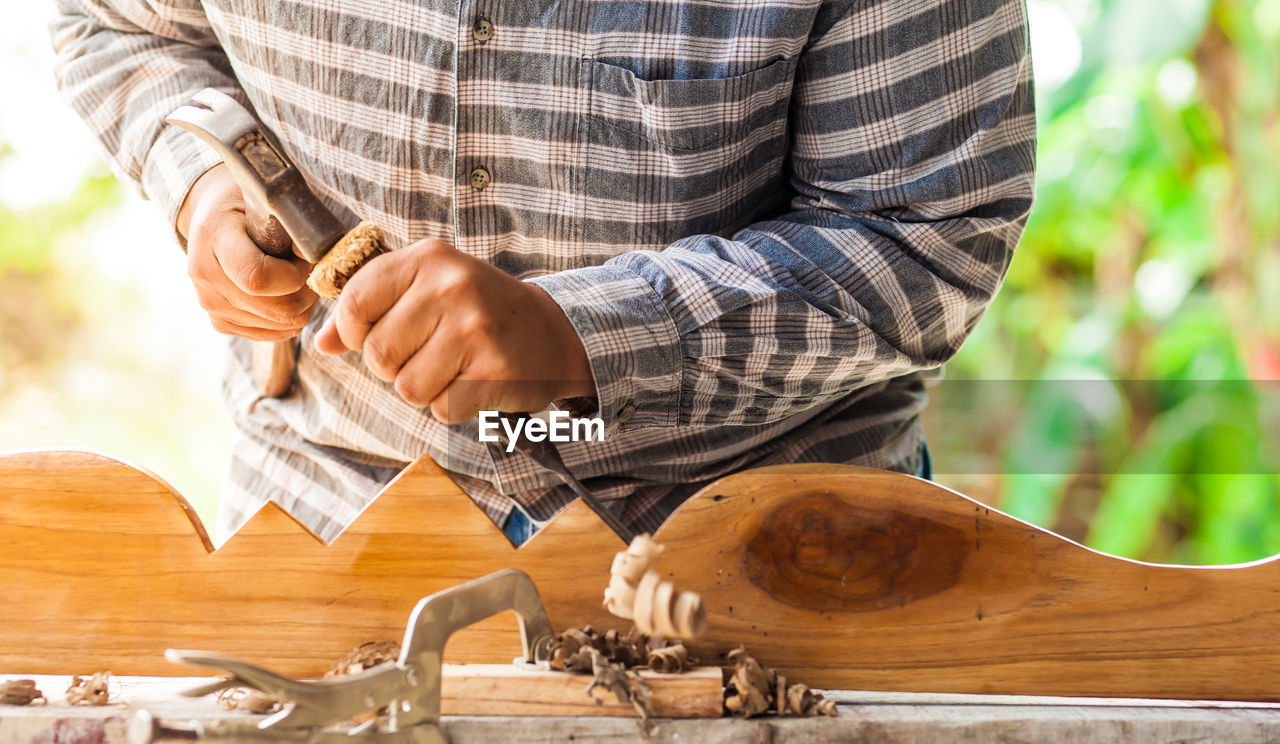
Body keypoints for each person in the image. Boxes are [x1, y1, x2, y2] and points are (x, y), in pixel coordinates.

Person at [51, 0, 1035, 545]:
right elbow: (115, 24)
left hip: (751, 558)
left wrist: (584, 337)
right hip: (331, 515)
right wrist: (205, 186)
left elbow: (926, 236)